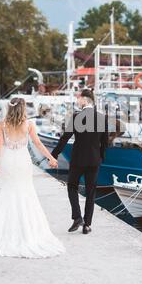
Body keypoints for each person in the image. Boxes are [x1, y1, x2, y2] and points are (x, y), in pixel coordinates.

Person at [0, 97, 64, 259]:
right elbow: (39, 144)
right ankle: (27, 230)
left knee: (9, 192)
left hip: (8, 161)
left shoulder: (2, 124)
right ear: (23, 108)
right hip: (23, 162)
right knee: (26, 193)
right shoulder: (29, 125)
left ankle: (5, 231)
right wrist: (51, 158)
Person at [52, 89, 108, 235]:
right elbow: (105, 142)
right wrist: (101, 157)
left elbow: (65, 138)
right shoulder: (102, 118)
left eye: (79, 98)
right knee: (91, 192)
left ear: (85, 100)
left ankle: (77, 217)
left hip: (77, 160)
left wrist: (54, 155)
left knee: (72, 187)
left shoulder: (77, 116)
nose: (77, 101)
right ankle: (87, 225)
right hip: (94, 161)